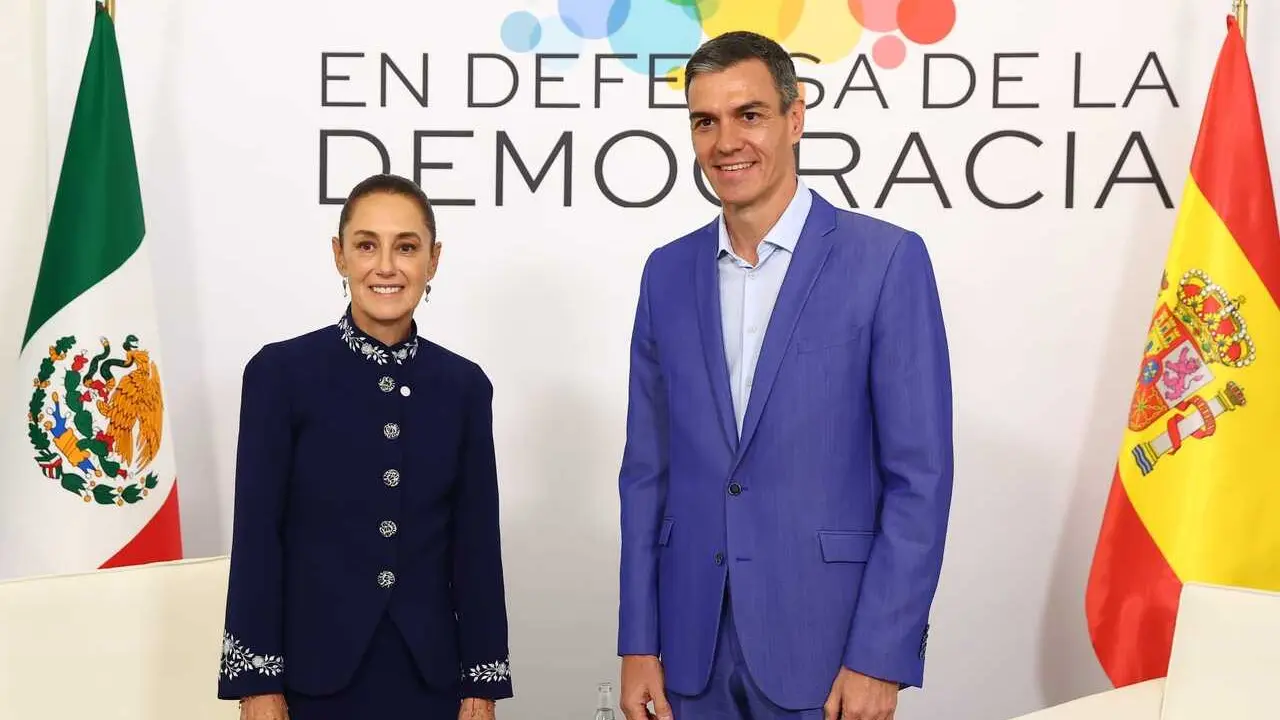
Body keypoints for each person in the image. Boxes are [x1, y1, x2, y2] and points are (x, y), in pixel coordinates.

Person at [616, 31, 954, 720]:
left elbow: (920, 478)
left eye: (749, 115)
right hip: (689, 654)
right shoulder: (666, 273)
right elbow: (646, 473)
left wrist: (880, 656)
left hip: (830, 655)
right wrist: (638, 643)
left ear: (794, 118)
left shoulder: (886, 262)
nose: (725, 142)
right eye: (704, 121)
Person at [217, 173, 513, 720]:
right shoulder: (281, 374)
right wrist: (257, 682)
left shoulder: (464, 386)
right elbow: (257, 535)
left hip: (431, 679)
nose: (386, 266)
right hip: (308, 679)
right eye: (366, 245)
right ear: (340, 255)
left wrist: (482, 681)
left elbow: (475, 544)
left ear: (433, 260)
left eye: (406, 247)